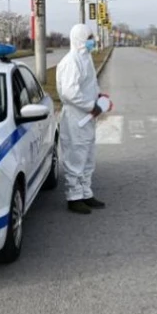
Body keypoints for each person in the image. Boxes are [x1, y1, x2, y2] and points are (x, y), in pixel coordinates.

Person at [56, 24, 108, 214]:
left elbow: (88, 86)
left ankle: (86, 193)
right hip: (76, 117)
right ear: (79, 38)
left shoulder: (85, 58)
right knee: (75, 156)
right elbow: (70, 92)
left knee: (87, 156)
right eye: (89, 37)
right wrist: (90, 105)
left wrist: (100, 97)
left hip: (86, 116)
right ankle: (74, 197)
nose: (92, 41)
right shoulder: (72, 61)